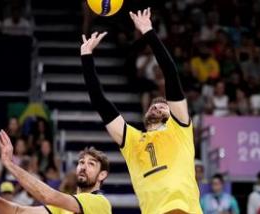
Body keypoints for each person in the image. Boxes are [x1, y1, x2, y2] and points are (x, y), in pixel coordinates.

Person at [80, 8, 202, 214]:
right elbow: (100, 102)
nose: (156, 105)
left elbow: (171, 73)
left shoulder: (180, 129)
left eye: (163, 105)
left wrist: (148, 33)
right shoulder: (132, 141)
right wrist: (86, 57)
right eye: (154, 104)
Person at [0, 131, 111, 214]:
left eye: (91, 164)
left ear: (102, 175)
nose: (83, 167)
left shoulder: (99, 202)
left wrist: (9, 164)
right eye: (81, 162)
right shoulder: (66, 207)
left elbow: (48, 196)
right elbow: (20, 212)